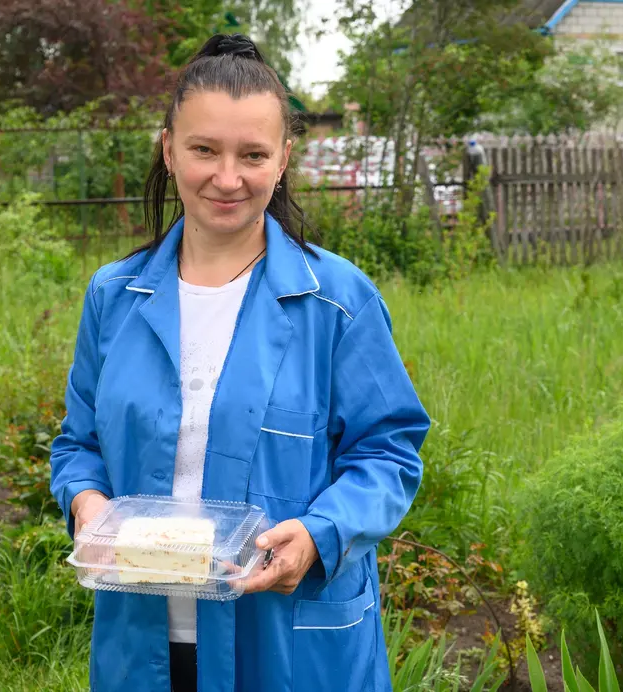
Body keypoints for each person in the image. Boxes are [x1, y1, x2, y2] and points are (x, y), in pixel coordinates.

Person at [49, 33, 430, 692]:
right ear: (169, 150)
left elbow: (388, 453)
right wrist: (87, 503)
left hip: (287, 646)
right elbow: (78, 445)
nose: (228, 179)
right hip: (144, 644)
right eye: (204, 150)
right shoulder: (114, 297)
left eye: (252, 154)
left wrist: (318, 534)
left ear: (283, 160)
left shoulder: (337, 302)